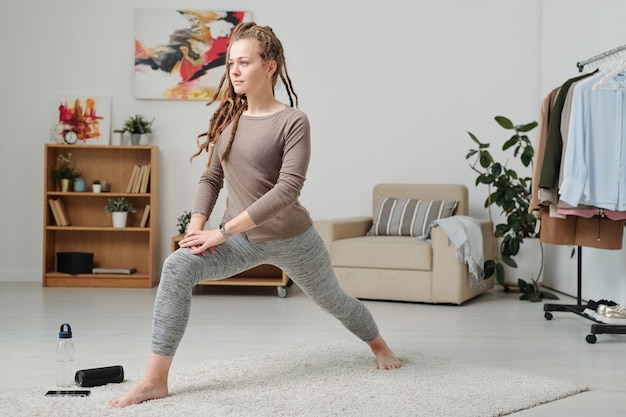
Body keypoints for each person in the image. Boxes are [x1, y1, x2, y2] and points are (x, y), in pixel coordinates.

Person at [110, 21, 401, 409]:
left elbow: (287, 191)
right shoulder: (228, 121)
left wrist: (222, 231)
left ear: (270, 66)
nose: (233, 71)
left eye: (243, 62)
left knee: (335, 302)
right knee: (177, 267)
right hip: (242, 241)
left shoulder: (293, 122)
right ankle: (154, 381)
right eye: (231, 63)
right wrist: (195, 232)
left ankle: (378, 344)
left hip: (292, 238)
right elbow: (211, 178)